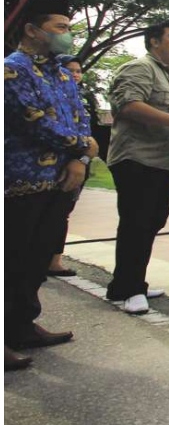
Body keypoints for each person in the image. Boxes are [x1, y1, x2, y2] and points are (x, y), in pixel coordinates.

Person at [4, 0, 95, 371]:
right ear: (32, 29)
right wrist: (77, 146)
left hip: (61, 177)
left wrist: (81, 157)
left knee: (39, 257)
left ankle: (21, 325)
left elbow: (80, 115)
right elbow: (32, 118)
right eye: (60, 27)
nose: (67, 36)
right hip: (23, 178)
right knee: (10, 258)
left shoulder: (60, 71)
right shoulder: (13, 69)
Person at [105, 21, 169, 315]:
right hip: (138, 159)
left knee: (151, 223)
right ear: (154, 41)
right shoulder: (139, 68)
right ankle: (129, 289)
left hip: (164, 162)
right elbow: (128, 106)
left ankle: (129, 283)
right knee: (137, 222)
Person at [46, 54, 95, 278]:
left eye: (78, 70)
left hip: (80, 162)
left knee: (62, 212)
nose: (74, 74)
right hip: (48, 164)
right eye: (70, 70)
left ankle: (54, 260)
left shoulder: (85, 98)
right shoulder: (47, 93)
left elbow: (92, 130)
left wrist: (86, 156)